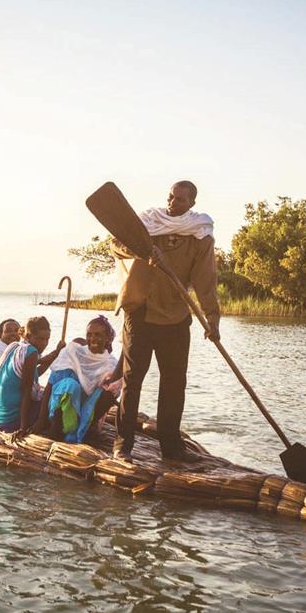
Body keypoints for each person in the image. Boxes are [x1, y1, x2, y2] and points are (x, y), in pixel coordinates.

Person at [112, 180, 220, 462]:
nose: (173, 203)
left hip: (176, 316)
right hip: (141, 312)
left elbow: (206, 279)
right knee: (132, 379)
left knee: (174, 383)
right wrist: (144, 252)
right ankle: (123, 445)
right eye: (171, 197)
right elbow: (116, 245)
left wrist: (213, 319)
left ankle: (171, 447)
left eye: (181, 200)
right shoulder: (148, 223)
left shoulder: (200, 234)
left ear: (192, 204)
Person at [34, 316, 122, 444]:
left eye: (98, 335)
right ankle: (56, 428)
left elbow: (109, 396)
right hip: (61, 411)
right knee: (70, 385)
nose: (92, 339)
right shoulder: (73, 352)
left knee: (110, 392)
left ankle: (83, 429)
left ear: (108, 338)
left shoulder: (110, 363)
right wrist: (40, 421)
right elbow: (51, 384)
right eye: (89, 335)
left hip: (86, 411)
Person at [0, 316, 64, 433]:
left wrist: (56, 353)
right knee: (55, 398)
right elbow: (26, 390)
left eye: (47, 339)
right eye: (40, 339)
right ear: (28, 336)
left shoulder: (14, 346)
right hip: (12, 422)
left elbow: (34, 373)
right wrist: (22, 428)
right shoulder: (31, 352)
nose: (44, 343)